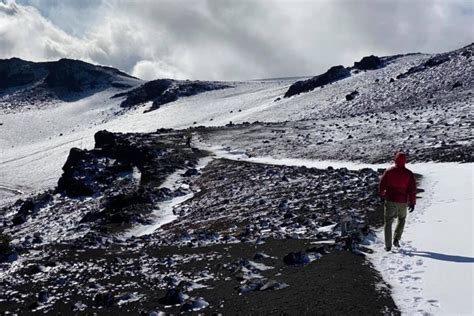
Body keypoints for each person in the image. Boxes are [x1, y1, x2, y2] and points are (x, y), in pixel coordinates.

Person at [379, 152, 416, 251]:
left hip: (390, 199)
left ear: (395, 159)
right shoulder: (408, 173)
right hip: (403, 201)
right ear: (405, 161)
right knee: (402, 219)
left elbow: (382, 184)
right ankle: (396, 239)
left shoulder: (389, 171)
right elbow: (412, 190)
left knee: (388, 222)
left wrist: (382, 194)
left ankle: (388, 246)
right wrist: (412, 202)